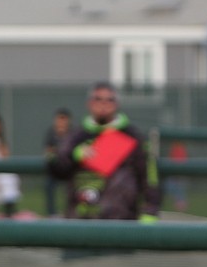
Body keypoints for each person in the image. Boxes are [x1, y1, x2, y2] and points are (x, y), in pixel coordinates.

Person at [49, 82, 160, 221]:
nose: (103, 104)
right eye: (98, 99)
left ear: (117, 104)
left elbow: (148, 176)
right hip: (80, 220)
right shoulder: (75, 137)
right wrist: (74, 156)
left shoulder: (132, 137)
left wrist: (150, 212)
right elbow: (57, 169)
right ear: (89, 103)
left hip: (121, 220)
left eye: (109, 99)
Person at [42, 108, 73, 216]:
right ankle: (52, 213)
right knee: (49, 185)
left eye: (64, 119)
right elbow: (48, 151)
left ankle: (70, 212)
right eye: (59, 119)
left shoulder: (72, 133)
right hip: (55, 170)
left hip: (70, 170)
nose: (61, 122)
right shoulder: (51, 133)